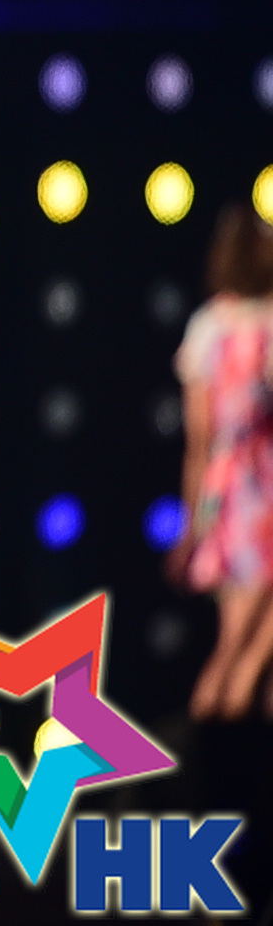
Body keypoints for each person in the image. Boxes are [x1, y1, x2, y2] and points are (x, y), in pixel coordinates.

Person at [167, 204, 273, 720]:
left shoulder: (207, 326)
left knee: (239, 644)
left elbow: (200, 441)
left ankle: (213, 753)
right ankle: (207, 749)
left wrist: (192, 527)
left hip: (229, 493)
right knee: (239, 652)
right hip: (259, 491)